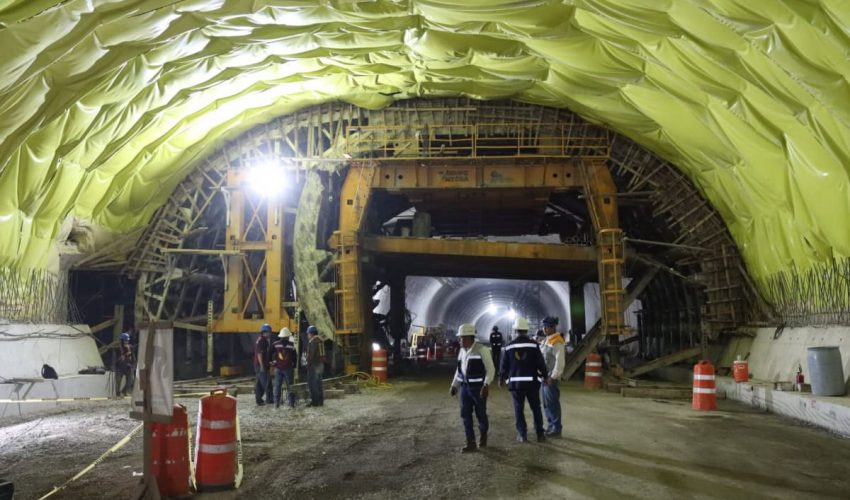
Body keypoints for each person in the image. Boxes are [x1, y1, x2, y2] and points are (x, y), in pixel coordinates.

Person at [500, 316, 549, 443]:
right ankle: (540, 434)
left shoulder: (509, 347)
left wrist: (503, 379)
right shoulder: (534, 345)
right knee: (536, 408)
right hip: (532, 384)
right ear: (527, 330)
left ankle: (522, 435)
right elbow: (540, 363)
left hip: (516, 385)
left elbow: (504, 366)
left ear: (515, 330)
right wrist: (545, 376)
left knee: (518, 409)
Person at [449, 323, 495, 453]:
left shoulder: (482, 350)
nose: (460, 340)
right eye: (459, 337)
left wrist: (486, 385)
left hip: (478, 389)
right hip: (465, 388)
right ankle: (471, 442)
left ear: (470, 337)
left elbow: (490, 369)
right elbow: (459, 371)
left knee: (481, 414)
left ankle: (483, 435)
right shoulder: (461, 351)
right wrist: (454, 385)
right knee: (465, 414)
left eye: (462, 337)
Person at [540, 316, 565, 437]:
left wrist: (553, 377)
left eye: (547, 327)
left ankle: (556, 428)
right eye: (544, 327)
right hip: (544, 378)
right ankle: (551, 426)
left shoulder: (557, 342)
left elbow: (560, 362)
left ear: (553, 327)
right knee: (546, 404)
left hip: (550, 379)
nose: (544, 329)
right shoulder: (546, 340)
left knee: (553, 404)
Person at [271, 328, 298, 409]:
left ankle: (276, 404)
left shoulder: (275, 344)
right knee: (290, 386)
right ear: (287, 337)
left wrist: (273, 363)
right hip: (288, 369)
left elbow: (270, 354)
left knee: (277, 387)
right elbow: (295, 357)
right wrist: (294, 366)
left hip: (278, 368)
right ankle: (291, 404)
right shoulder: (291, 345)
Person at [305, 325, 325, 407]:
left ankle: (315, 402)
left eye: (308, 334)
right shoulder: (320, 340)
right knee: (319, 384)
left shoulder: (313, 341)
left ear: (311, 334)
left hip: (314, 365)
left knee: (312, 383)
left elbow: (312, 354)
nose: (307, 335)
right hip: (320, 364)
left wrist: (308, 364)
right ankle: (320, 401)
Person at [254, 324, 273, 406]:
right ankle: (270, 399)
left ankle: (259, 400)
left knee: (259, 384)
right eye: (269, 332)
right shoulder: (262, 341)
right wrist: (262, 365)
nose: (270, 334)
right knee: (267, 382)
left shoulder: (261, 340)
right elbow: (260, 354)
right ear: (265, 332)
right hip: (261, 365)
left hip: (259, 365)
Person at [115, 332, 134, 396]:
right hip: (120, 367)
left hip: (128, 366)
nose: (126, 341)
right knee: (118, 381)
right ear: (122, 340)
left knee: (130, 380)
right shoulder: (118, 348)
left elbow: (133, 356)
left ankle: (124, 391)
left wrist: (133, 363)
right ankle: (118, 393)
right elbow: (118, 357)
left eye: (127, 340)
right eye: (125, 340)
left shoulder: (130, 347)